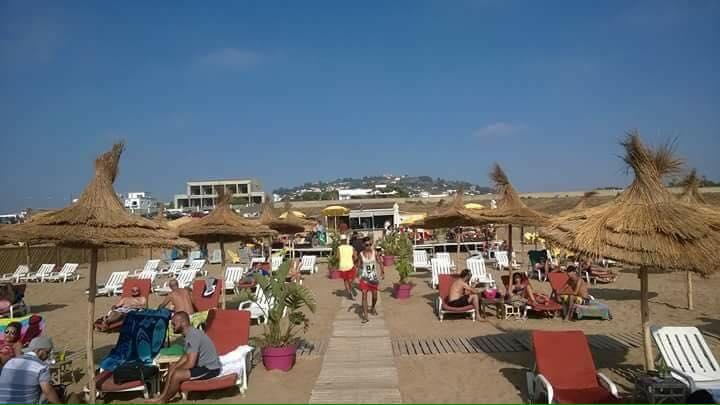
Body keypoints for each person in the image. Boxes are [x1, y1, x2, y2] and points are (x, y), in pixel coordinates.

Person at [147, 311, 221, 404]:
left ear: (183, 322)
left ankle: (164, 399)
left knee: (177, 374)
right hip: (202, 366)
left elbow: (190, 363)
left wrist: (175, 370)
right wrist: (174, 366)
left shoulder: (193, 335)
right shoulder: (189, 334)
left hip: (210, 368)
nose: (172, 326)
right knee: (172, 367)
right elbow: (186, 356)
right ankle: (162, 396)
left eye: (174, 324)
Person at [0, 336, 61, 404]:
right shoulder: (41, 367)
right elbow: (48, 391)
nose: (48, 356)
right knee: (50, 391)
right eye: (47, 352)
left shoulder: (10, 362)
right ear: (39, 351)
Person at [358, 237, 384, 323]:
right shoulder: (361, 254)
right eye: (367, 245)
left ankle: (373, 307)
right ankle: (366, 316)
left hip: (373, 278)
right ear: (363, 245)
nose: (368, 246)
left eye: (370, 244)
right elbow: (359, 266)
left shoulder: (374, 253)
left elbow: (380, 262)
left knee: (375, 296)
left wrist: (382, 272)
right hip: (364, 278)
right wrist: (358, 275)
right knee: (364, 295)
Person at [337, 234, 357, 299]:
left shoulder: (339, 248)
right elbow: (355, 257)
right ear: (346, 240)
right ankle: (351, 286)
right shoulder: (351, 247)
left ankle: (349, 293)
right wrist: (353, 260)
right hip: (350, 265)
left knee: (345, 280)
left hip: (342, 266)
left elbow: (337, 257)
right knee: (351, 279)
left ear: (341, 241)